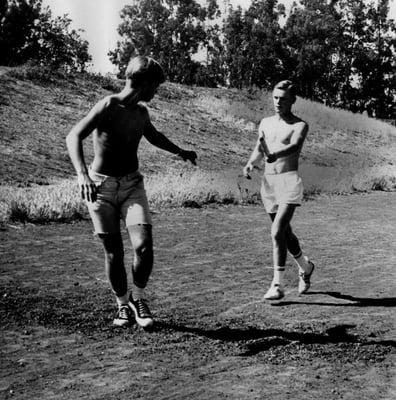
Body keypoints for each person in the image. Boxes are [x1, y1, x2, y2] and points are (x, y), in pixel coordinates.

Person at [66, 56, 197, 328]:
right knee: (113, 252)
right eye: (156, 86)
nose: (156, 92)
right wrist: (82, 175)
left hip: (132, 185)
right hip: (100, 187)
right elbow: (73, 136)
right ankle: (122, 306)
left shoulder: (141, 112)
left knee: (144, 247)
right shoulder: (108, 105)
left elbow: (153, 135)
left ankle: (138, 298)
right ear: (144, 83)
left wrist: (180, 152)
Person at [243, 80, 314, 300]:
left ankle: (277, 285)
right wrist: (251, 164)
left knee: (276, 231)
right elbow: (259, 147)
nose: (278, 102)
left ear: (292, 100)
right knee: (284, 232)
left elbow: (294, 146)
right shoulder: (265, 122)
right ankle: (305, 265)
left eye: (283, 99)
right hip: (269, 183)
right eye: (275, 97)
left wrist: (276, 155)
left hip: (289, 181)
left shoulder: (300, 125)